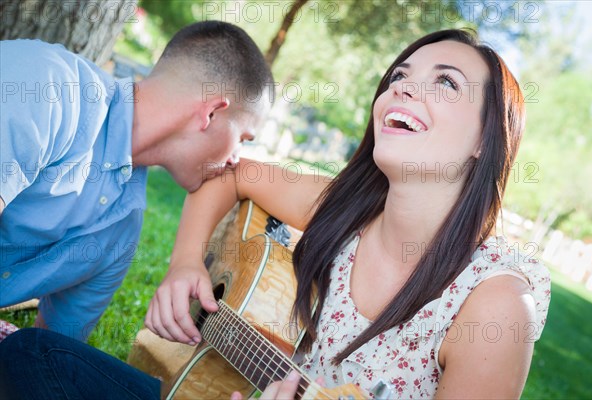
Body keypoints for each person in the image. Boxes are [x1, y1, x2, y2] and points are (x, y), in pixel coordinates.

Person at [0, 29, 550, 399]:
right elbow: (232, 176)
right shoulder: (346, 208)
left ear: (488, 138)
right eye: (399, 77)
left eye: (445, 83)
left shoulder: (496, 304)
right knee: (36, 357)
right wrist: (187, 263)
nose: (403, 89)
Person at [0, 21, 274, 342]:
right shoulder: (48, 89)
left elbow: (49, 355)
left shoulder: (121, 232)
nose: (236, 159)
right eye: (243, 137)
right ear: (211, 113)